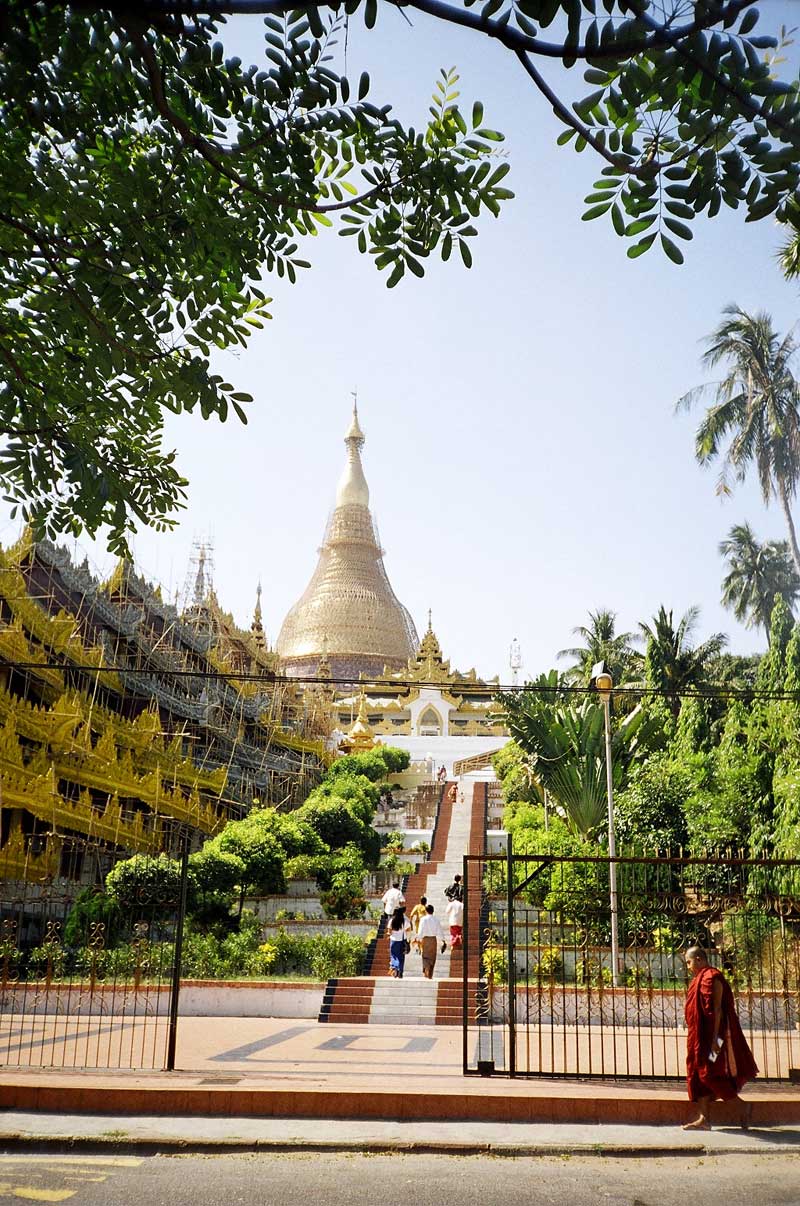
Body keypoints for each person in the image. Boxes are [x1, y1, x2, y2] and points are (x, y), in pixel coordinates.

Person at [683, 945, 758, 1130]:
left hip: (715, 1038)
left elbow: (717, 1010)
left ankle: (742, 1107)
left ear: (699, 959)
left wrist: (715, 1041)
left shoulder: (713, 978)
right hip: (698, 1038)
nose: (688, 966)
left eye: (689, 962)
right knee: (697, 1076)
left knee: (709, 1074)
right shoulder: (697, 980)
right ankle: (704, 1119)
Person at [417, 904, 447, 979]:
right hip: (433, 940)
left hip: (426, 939)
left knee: (425, 956)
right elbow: (440, 930)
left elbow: (420, 930)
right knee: (432, 957)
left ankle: (426, 969)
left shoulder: (423, 919)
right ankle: (430, 972)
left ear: (426, 911)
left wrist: (418, 938)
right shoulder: (436, 920)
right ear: (433, 911)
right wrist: (443, 940)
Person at [387, 906, 412, 978]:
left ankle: (395, 967)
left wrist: (391, 934)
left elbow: (389, 931)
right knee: (401, 957)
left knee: (394, 955)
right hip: (402, 940)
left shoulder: (392, 920)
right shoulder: (404, 920)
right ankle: (400, 971)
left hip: (394, 940)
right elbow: (409, 929)